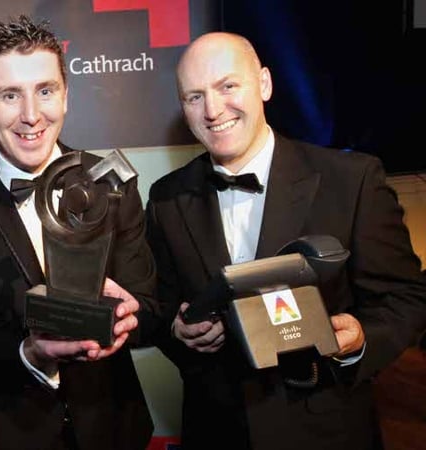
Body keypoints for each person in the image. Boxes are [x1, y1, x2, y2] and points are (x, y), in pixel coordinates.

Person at [145, 31, 426, 450]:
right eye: (194, 97)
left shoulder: (352, 180)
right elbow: (161, 305)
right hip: (217, 431)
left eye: (228, 86)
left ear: (264, 84)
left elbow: (405, 296)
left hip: (326, 431)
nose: (213, 109)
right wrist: (178, 329)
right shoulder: (166, 197)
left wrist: (361, 339)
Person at [0, 15, 159, 450]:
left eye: (45, 91)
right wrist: (31, 353)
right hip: (16, 435)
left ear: (66, 96)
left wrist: (132, 318)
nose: (31, 115)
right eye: (10, 95)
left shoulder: (112, 182)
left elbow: (150, 309)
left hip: (115, 429)